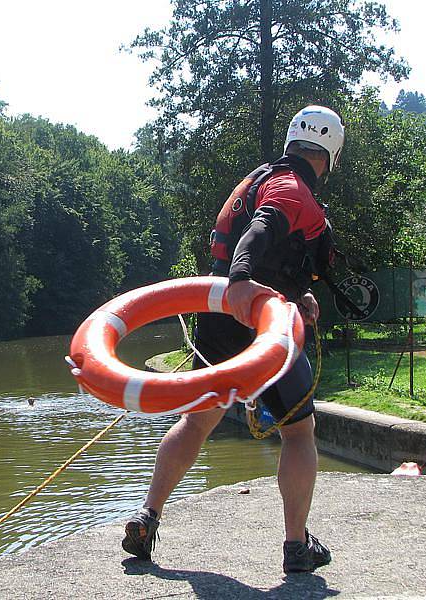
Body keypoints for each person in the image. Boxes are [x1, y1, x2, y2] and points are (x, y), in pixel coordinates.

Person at [122, 105, 344, 574]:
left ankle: (148, 515)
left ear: (292, 143)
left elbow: (271, 255)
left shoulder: (263, 178)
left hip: (220, 313)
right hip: (259, 322)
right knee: (299, 432)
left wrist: (297, 295)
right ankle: (295, 545)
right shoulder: (291, 189)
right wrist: (245, 281)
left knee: (197, 423)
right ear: (332, 152)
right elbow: (260, 233)